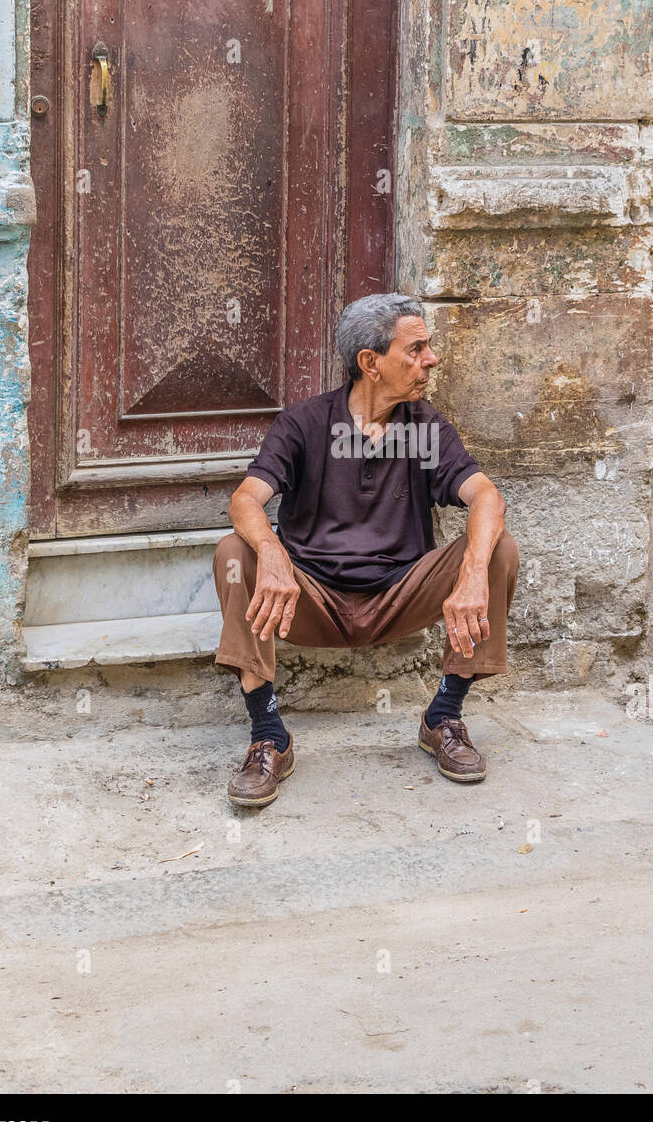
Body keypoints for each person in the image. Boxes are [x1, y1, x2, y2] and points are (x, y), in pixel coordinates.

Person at [214, 292, 519, 807]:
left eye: (429, 347)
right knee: (232, 553)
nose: (431, 359)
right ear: (370, 363)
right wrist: (268, 549)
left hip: (402, 594)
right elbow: (246, 499)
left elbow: (485, 495)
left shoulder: (425, 428)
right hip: (310, 601)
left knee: (496, 548)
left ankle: (443, 716)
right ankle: (269, 735)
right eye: (416, 348)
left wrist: (470, 572)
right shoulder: (306, 424)